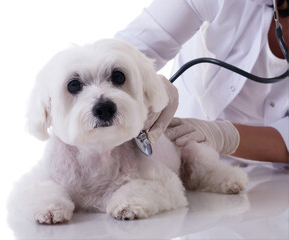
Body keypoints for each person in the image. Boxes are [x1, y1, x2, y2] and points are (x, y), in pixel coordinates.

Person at [115, 0, 289, 164]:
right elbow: (126, 50)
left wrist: (224, 136)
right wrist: (146, 82)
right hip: (178, 154)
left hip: (271, 176)